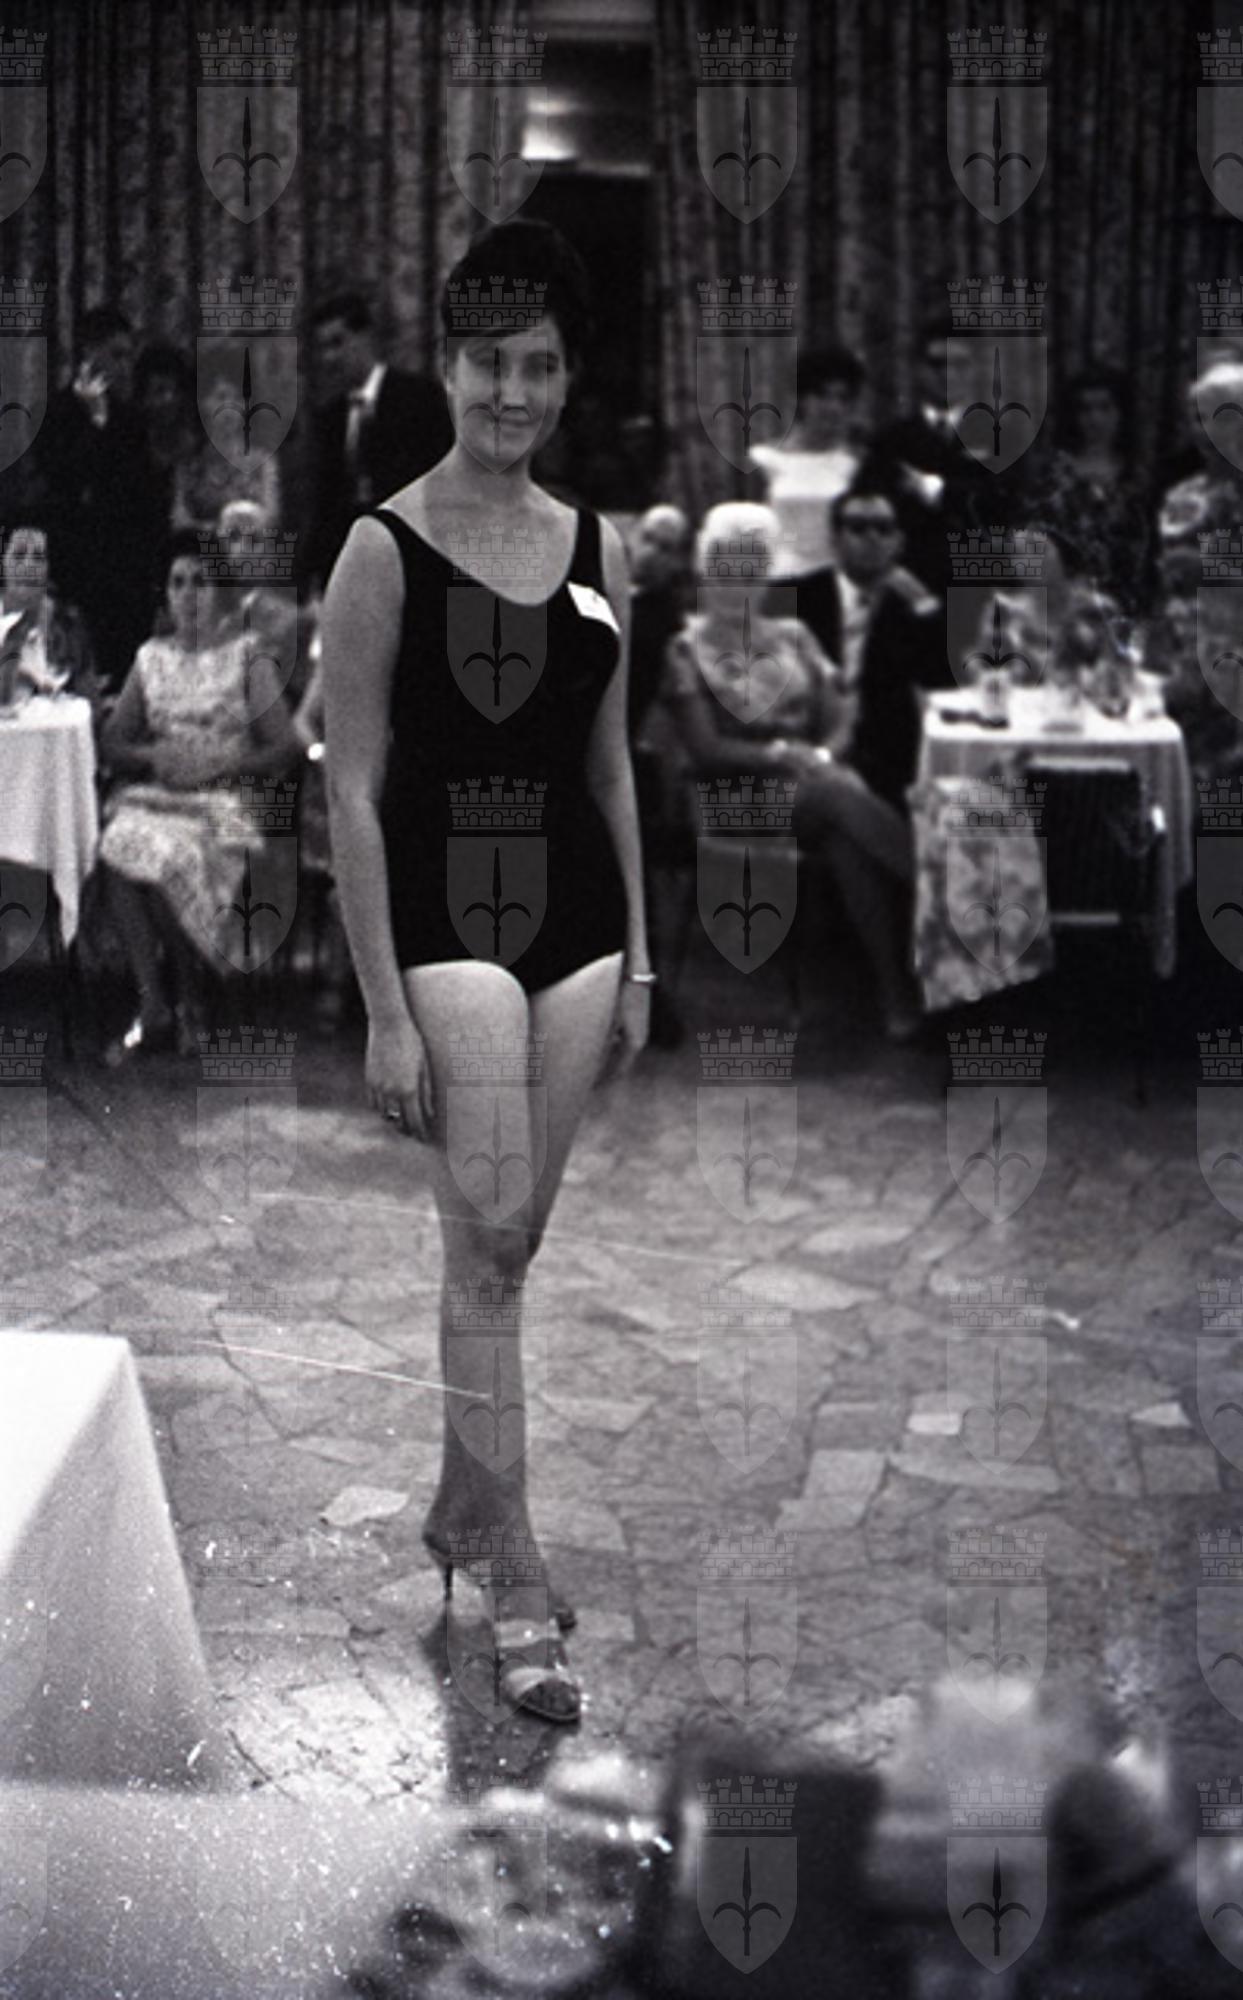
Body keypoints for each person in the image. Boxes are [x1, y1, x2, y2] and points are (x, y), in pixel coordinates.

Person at [322, 220, 650, 1725]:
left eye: (539, 367)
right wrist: (384, 1008)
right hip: (445, 922)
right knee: (489, 1246)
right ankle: (517, 1579)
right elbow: (349, 788)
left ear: (567, 378)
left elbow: (610, 764)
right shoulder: (379, 547)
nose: (511, 394)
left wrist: (640, 957)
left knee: (505, 1251)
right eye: (487, 365)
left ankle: (464, 1509)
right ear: (446, 368)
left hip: (576, 924)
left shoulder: (599, 546)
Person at [666, 502, 921, 1041]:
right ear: (707, 571)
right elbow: (705, 749)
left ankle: (897, 993)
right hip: (728, 796)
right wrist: (780, 753)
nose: (739, 582)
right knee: (837, 798)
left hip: (812, 788)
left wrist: (822, 756)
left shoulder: (796, 636)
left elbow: (843, 719)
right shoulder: (685, 649)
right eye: (727, 568)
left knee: (844, 834)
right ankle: (930, 886)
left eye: (752, 569)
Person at [96, 529, 301, 1063]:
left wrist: (222, 763)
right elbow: (113, 741)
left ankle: (191, 1001)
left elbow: (286, 746)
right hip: (162, 798)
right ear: (166, 593)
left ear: (221, 593)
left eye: (201, 582)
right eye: (178, 583)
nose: (188, 595)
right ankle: (155, 1002)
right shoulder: (151, 658)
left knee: (167, 858)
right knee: (117, 846)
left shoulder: (246, 656)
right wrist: (153, 757)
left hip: (227, 803)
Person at [28, 306, 167, 692]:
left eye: (129, 356)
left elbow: (141, 497)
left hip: (126, 580)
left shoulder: (132, 420)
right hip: (75, 574)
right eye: (117, 354)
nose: (125, 367)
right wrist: (96, 425)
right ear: (90, 352)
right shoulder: (51, 414)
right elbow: (66, 485)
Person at [786, 483, 944, 819]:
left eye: (884, 529)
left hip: (887, 759)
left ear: (899, 542)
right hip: (810, 747)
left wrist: (925, 608)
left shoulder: (915, 606)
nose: (872, 538)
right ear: (834, 539)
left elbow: (942, 683)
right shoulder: (797, 597)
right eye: (858, 527)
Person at [304, 291, 454, 590]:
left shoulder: (419, 398)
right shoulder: (330, 418)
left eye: (337, 342)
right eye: (323, 348)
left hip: (412, 563)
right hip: (351, 570)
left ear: (365, 338)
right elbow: (326, 505)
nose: (329, 357)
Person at [867, 318, 997, 593]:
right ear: (918, 369)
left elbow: (1003, 503)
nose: (947, 374)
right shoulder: (891, 439)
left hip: (978, 579)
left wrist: (933, 489)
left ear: (974, 369)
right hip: (907, 582)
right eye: (937, 364)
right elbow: (876, 506)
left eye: (959, 364)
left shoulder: (1001, 435)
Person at [1024, 368, 1153, 612]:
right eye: (1085, 409)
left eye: (1105, 408)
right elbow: (1034, 541)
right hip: (1068, 602)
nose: (1095, 419)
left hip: (1131, 602)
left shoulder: (1140, 475)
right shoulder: (1053, 475)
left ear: (1121, 413)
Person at [748, 345, 867, 576]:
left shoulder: (857, 463)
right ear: (801, 399)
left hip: (834, 581)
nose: (833, 407)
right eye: (822, 395)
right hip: (778, 581)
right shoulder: (763, 459)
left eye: (842, 398)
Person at [0, 519, 102, 716]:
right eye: (19, 555)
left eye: (38, 557)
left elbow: (91, 706)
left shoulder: (67, 622)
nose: (29, 565)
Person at [174, 370, 283, 532]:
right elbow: (179, 521)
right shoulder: (190, 465)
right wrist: (216, 529)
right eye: (221, 397)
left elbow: (271, 517)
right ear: (202, 404)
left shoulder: (263, 462)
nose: (231, 406)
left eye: (237, 398)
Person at [133, 343, 200, 531]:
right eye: (160, 391)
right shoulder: (132, 449)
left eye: (176, 391)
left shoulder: (198, 448)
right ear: (143, 397)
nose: (169, 399)